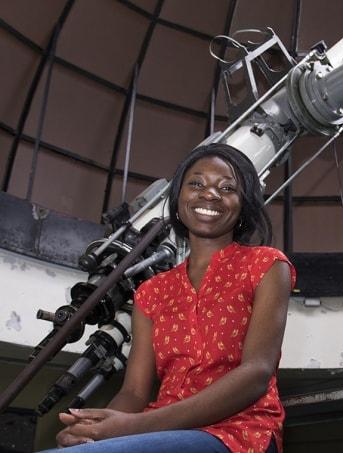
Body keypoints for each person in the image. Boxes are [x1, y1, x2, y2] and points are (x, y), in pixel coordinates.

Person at [45, 143, 296, 453]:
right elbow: (135, 392)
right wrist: (92, 431)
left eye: (227, 187)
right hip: (157, 432)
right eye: (196, 183)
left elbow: (256, 374)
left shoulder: (267, 266)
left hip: (239, 432)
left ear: (243, 205)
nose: (210, 194)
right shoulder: (152, 292)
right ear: (178, 199)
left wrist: (131, 428)